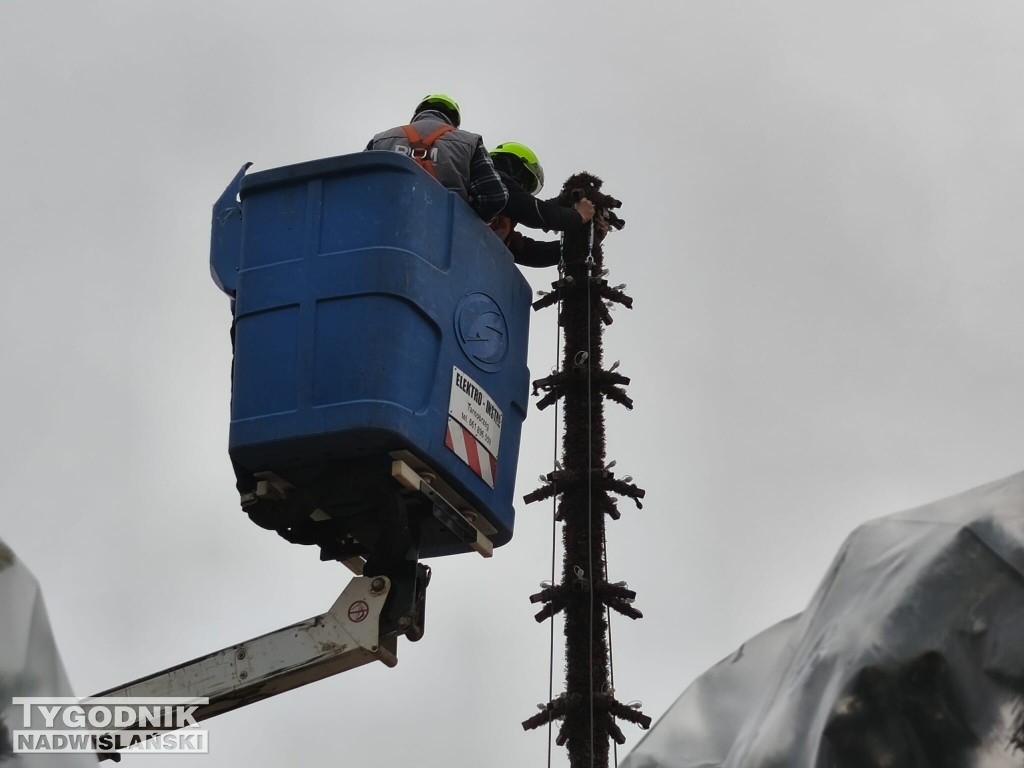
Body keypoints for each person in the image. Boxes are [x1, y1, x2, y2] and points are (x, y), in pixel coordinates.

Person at [367, 93, 508, 221]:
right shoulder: (469, 142)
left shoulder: (380, 140)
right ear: (455, 123)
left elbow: (356, 187)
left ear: (416, 115)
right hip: (441, 237)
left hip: (383, 230)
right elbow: (495, 197)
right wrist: (467, 224)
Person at [487, 142, 597, 267]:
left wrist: (581, 246)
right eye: (527, 182)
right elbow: (535, 212)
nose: (523, 190)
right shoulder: (493, 179)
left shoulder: (497, 221)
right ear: (517, 170)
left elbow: (529, 253)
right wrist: (579, 216)